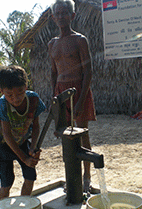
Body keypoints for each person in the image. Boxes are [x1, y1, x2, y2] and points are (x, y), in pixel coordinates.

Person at [48, 0, 96, 192]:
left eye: (65, 13)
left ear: (72, 15)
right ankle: (71, 176)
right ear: (53, 18)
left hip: (78, 90)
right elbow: (53, 72)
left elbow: (88, 71)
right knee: (65, 136)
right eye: (57, 14)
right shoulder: (52, 43)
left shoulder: (80, 40)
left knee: (82, 133)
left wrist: (81, 100)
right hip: (60, 91)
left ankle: (87, 177)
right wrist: (54, 97)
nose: (61, 17)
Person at [0, 65, 46, 200]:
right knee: (7, 182)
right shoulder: (3, 105)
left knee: (30, 176)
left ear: (26, 87)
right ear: (2, 91)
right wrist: (25, 158)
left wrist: (33, 147)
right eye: (9, 95)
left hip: (22, 142)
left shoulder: (33, 100)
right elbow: (7, 136)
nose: (15, 99)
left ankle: (24, 207)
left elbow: (36, 126)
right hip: (2, 145)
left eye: (20, 92)